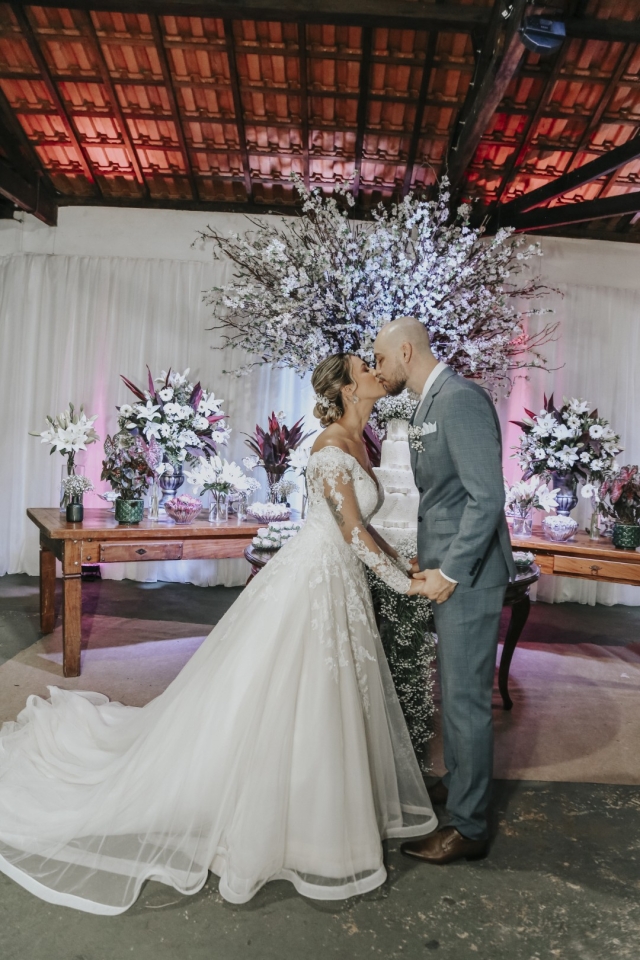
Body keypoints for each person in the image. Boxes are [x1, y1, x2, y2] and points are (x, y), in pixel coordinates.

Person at [0, 352, 437, 915]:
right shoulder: (331, 446)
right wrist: (409, 585)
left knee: (319, 696)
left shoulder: (360, 440)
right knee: (296, 690)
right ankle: (290, 821)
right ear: (348, 389)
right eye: (364, 367)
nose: (376, 371)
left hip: (339, 580)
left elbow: (364, 529)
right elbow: (352, 533)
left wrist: (404, 563)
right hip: (315, 580)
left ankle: (315, 806)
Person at [373, 317, 516, 865]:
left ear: (406, 352)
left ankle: (469, 826)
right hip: (448, 566)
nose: (379, 369)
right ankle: (459, 786)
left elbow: (487, 496)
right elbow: (446, 498)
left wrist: (449, 570)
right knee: (455, 693)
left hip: (471, 575)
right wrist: (428, 560)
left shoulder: (458, 400)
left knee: (465, 700)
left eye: (381, 359)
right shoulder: (428, 402)